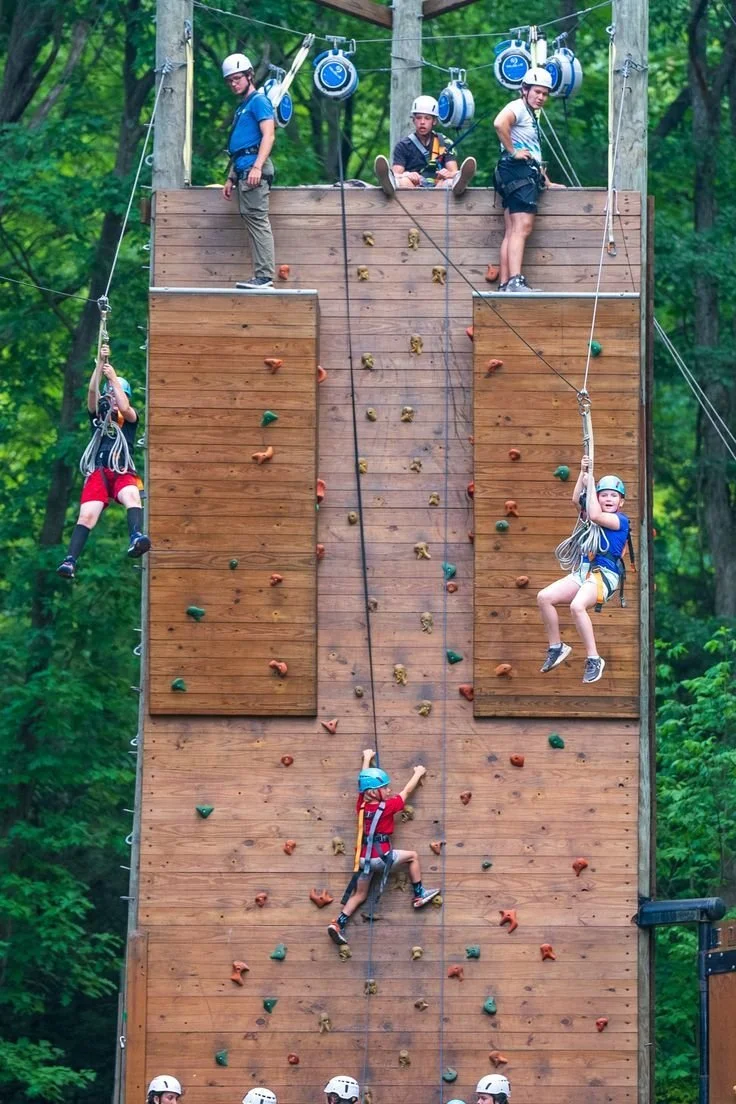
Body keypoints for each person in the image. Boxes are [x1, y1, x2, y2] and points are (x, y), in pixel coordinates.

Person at [327, 749, 440, 946]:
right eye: (385, 788)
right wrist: (418, 773)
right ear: (373, 792)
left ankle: (338, 923)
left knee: (359, 895)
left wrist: (367, 760)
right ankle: (419, 894)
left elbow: (362, 783)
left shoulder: (361, 805)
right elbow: (406, 792)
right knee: (412, 856)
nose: (389, 791)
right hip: (381, 857)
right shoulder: (387, 807)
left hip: (363, 860)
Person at [57, 344, 149, 579]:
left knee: (132, 496)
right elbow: (91, 394)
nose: (112, 400)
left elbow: (125, 407)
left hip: (121, 469)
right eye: (109, 396)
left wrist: (113, 378)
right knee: (87, 515)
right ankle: (70, 560)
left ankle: (136, 536)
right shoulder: (98, 417)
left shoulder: (129, 418)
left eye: (116, 395)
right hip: (98, 471)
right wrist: (99, 366)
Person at [536, 456, 630, 684]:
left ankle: (594, 658)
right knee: (544, 597)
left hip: (604, 575)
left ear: (621, 502)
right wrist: (582, 472)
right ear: (597, 498)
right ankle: (557, 647)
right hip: (584, 573)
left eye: (613, 496)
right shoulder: (591, 517)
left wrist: (593, 478)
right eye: (604, 494)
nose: (608, 498)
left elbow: (596, 514)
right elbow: (577, 502)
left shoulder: (620, 521)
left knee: (577, 606)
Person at [493, 68, 565, 292]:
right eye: (537, 92)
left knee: (512, 229)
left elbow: (532, 152)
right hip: (517, 170)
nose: (541, 97)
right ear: (524, 90)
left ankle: (505, 283)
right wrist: (513, 151)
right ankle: (515, 281)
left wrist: (546, 180)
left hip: (515, 172)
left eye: (545, 94)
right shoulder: (517, 107)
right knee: (522, 227)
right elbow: (499, 123)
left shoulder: (529, 113)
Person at [222, 52, 276, 290]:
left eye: (237, 78)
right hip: (243, 170)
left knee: (257, 220)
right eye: (230, 80)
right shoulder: (242, 107)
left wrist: (256, 166)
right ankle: (261, 274)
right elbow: (241, 147)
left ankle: (264, 275)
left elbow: (268, 135)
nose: (234, 84)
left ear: (249, 76)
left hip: (255, 169)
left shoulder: (259, 101)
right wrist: (231, 177)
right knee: (252, 220)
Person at [374, 95, 476, 198]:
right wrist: (407, 174)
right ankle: (387, 184)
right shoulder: (403, 146)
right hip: (413, 189)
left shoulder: (444, 143)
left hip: (438, 188)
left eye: (427, 118)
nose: (422, 122)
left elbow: (453, 171)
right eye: (418, 118)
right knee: (402, 181)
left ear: (434, 121)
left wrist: (449, 174)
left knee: (449, 182)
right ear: (413, 120)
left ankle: (461, 182)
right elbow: (396, 174)